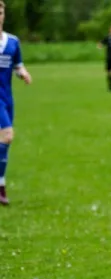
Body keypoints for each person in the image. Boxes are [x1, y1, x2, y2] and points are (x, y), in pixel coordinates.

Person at [0, 0, 32, 205]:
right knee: (7, 135)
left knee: (4, 142)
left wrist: (23, 73)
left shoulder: (12, 42)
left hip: (7, 98)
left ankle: (1, 185)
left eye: (0, 10)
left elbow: (17, 65)